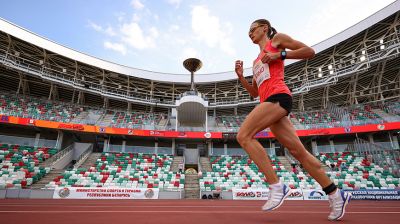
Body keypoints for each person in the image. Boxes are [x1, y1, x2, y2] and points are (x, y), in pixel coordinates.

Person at [235, 19, 351, 221]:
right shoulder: (256, 62)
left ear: (264, 28)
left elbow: (309, 51)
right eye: (248, 32)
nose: (250, 33)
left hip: (279, 97)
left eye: (252, 29)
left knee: (243, 136)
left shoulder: (277, 41)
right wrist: (241, 77)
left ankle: (276, 185)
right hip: (268, 104)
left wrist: (280, 54)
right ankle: (335, 194)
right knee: (300, 153)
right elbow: (254, 93)